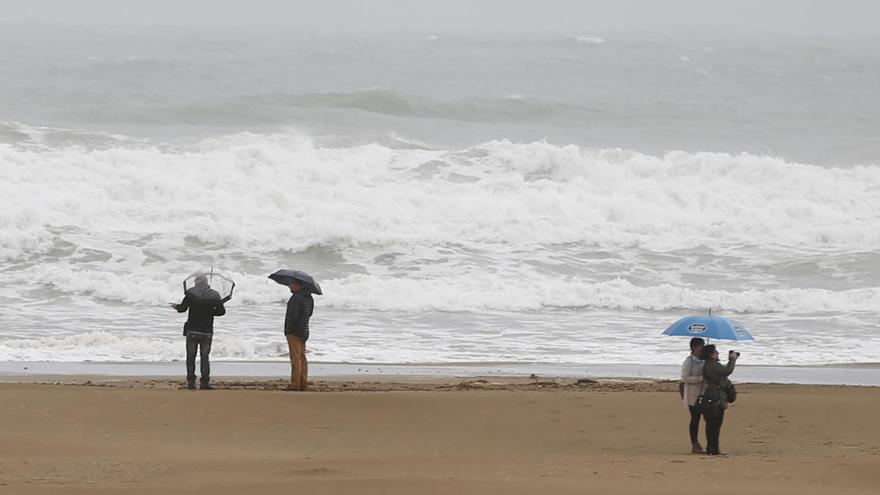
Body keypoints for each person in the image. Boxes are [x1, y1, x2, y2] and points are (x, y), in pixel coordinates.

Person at [172, 275, 226, 390]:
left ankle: (191, 382)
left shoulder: (191, 293)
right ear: (207, 282)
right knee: (204, 357)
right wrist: (211, 312)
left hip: (192, 330)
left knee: (190, 357)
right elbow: (221, 312)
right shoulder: (214, 294)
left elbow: (182, 309)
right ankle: (205, 383)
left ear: (197, 281)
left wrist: (175, 306)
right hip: (206, 331)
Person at [701, 344, 739, 455]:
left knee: (712, 424)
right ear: (711, 354)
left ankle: (712, 448)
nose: (718, 353)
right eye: (716, 352)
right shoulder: (712, 365)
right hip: (716, 398)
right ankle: (713, 448)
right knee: (715, 424)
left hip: (712, 396)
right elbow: (727, 370)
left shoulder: (708, 364)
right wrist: (732, 360)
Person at [285, 279, 314, 391]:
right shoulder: (309, 298)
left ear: (298, 285)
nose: (289, 287)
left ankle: (295, 383)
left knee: (295, 358)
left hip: (295, 331)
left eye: (291, 285)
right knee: (302, 357)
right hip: (304, 330)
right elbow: (310, 313)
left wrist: (288, 330)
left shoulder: (296, 298)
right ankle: (303, 382)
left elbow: (292, 316)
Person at [680, 337, 706, 454]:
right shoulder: (689, 361)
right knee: (695, 418)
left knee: (707, 418)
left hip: (704, 393)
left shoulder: (704, 360)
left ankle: (710, 443)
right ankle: (695, 444)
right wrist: (699, 379)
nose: (703, 348)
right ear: (694, 347)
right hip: (692, 394)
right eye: (701, 346)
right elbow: (684, 378)